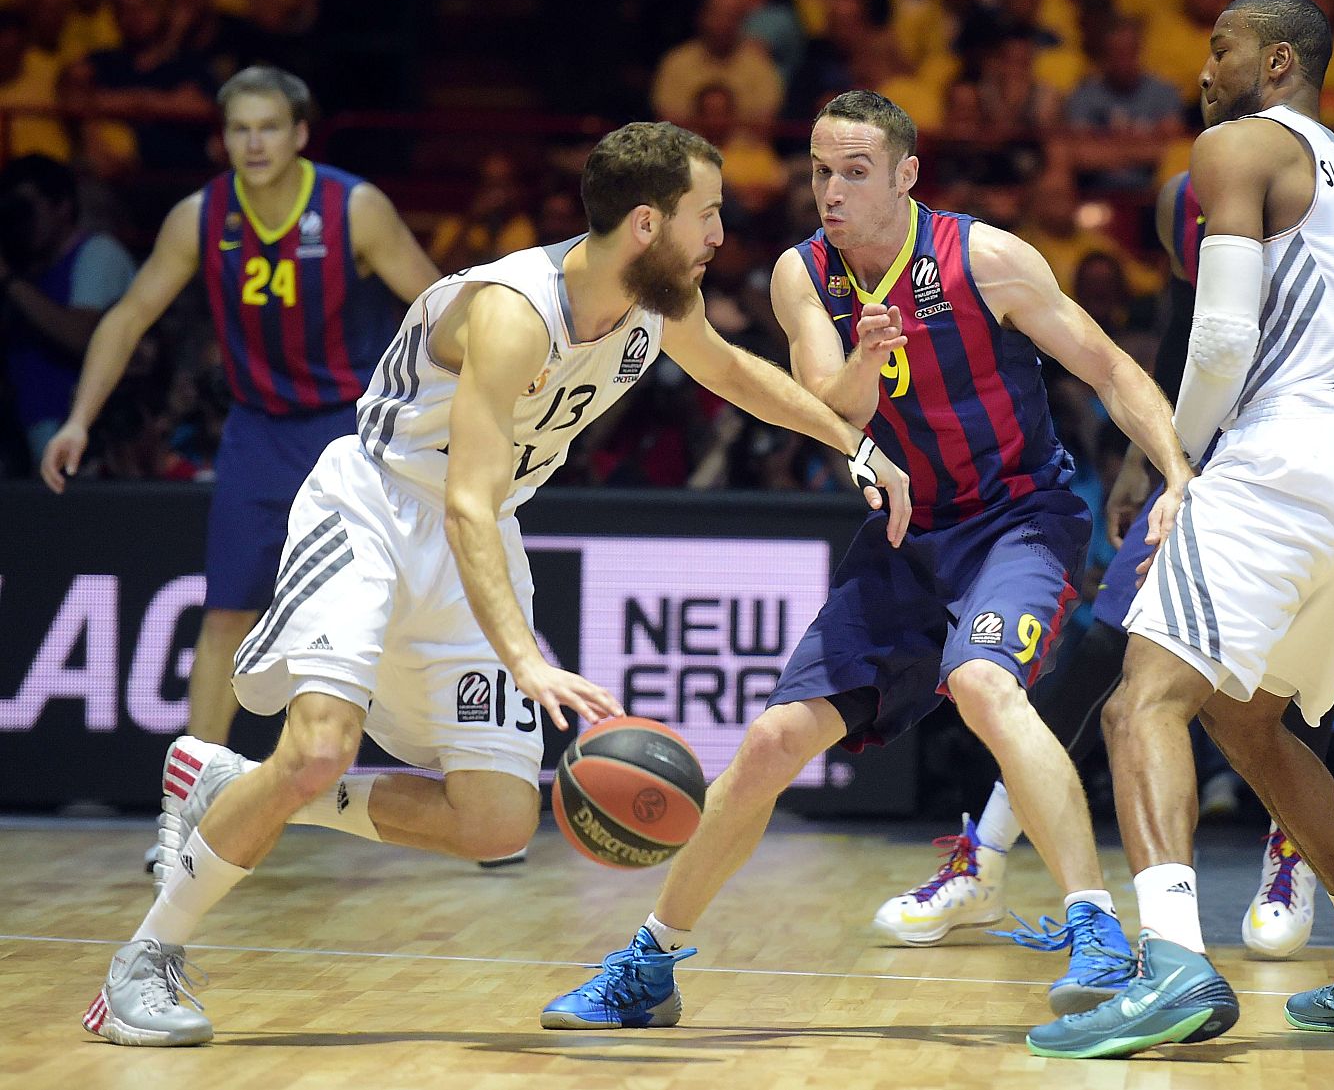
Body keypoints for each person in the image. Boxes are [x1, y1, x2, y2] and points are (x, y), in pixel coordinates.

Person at [79, 120, 911, 1048]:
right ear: (646, 223)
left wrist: (853, 442)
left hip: (478, 529)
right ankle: (141, 962)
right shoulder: (513, 312)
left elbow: (732, 373)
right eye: (706, 214)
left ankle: (242, 786)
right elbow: (465, 502)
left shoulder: (657, 302)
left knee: (494, 822)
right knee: (318, 746)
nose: (720, 234)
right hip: (378, 509)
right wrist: (527, 657)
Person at [539, 90, 1194, 1031]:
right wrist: (865, 357)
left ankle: (1097, 930)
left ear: (905, 176)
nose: (831, 191)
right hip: (904, 536)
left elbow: (1113, 370)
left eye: (854, 172)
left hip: (1017, 521)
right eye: (819, 171)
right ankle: (650, 962)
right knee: (771, 741)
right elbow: (832, 410)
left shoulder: (987, 259)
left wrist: (1175, 471)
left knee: (982, 684)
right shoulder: (802, 273)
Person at [873, 132, 1334, 963]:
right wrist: (1145, 458)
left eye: (1223, 67)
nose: (1208, 77)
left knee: (1287, 682)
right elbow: (1188, 335)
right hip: (1204, 446)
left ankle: (1287, 860)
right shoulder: (1184, 195)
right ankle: (988, 856)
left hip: (1308, 447)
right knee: (1107, 644)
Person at [1027, 0, 1334, 1060]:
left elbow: (1221, 339)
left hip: (1284, 453)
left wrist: (1168, 460)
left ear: (1275, 62)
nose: (1201, 70)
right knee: (1250, 721)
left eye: (1219, 49)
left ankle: (1173, 963)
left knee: (1141, 703)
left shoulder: (1237, 146)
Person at [41, 65, 438, 749]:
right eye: (240, 130)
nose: (254, 144)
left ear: (301, 135)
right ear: (222, 139)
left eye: (269, 129)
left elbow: (438, 306)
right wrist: (79, 419)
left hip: (349, 432)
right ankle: (190, 790)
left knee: (370, 620)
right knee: (227, 614)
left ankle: (404, 773)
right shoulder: (200, 217)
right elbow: (128, 316)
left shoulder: (355, 208)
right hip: (256, 433)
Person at [0, 153, 137, 466]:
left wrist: (8, 279)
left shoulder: (98, 254)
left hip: (88, 441)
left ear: (62, 206)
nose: (20, 220)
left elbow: (82, 337)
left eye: (27, 208)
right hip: (27, 435)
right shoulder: (27, 269)